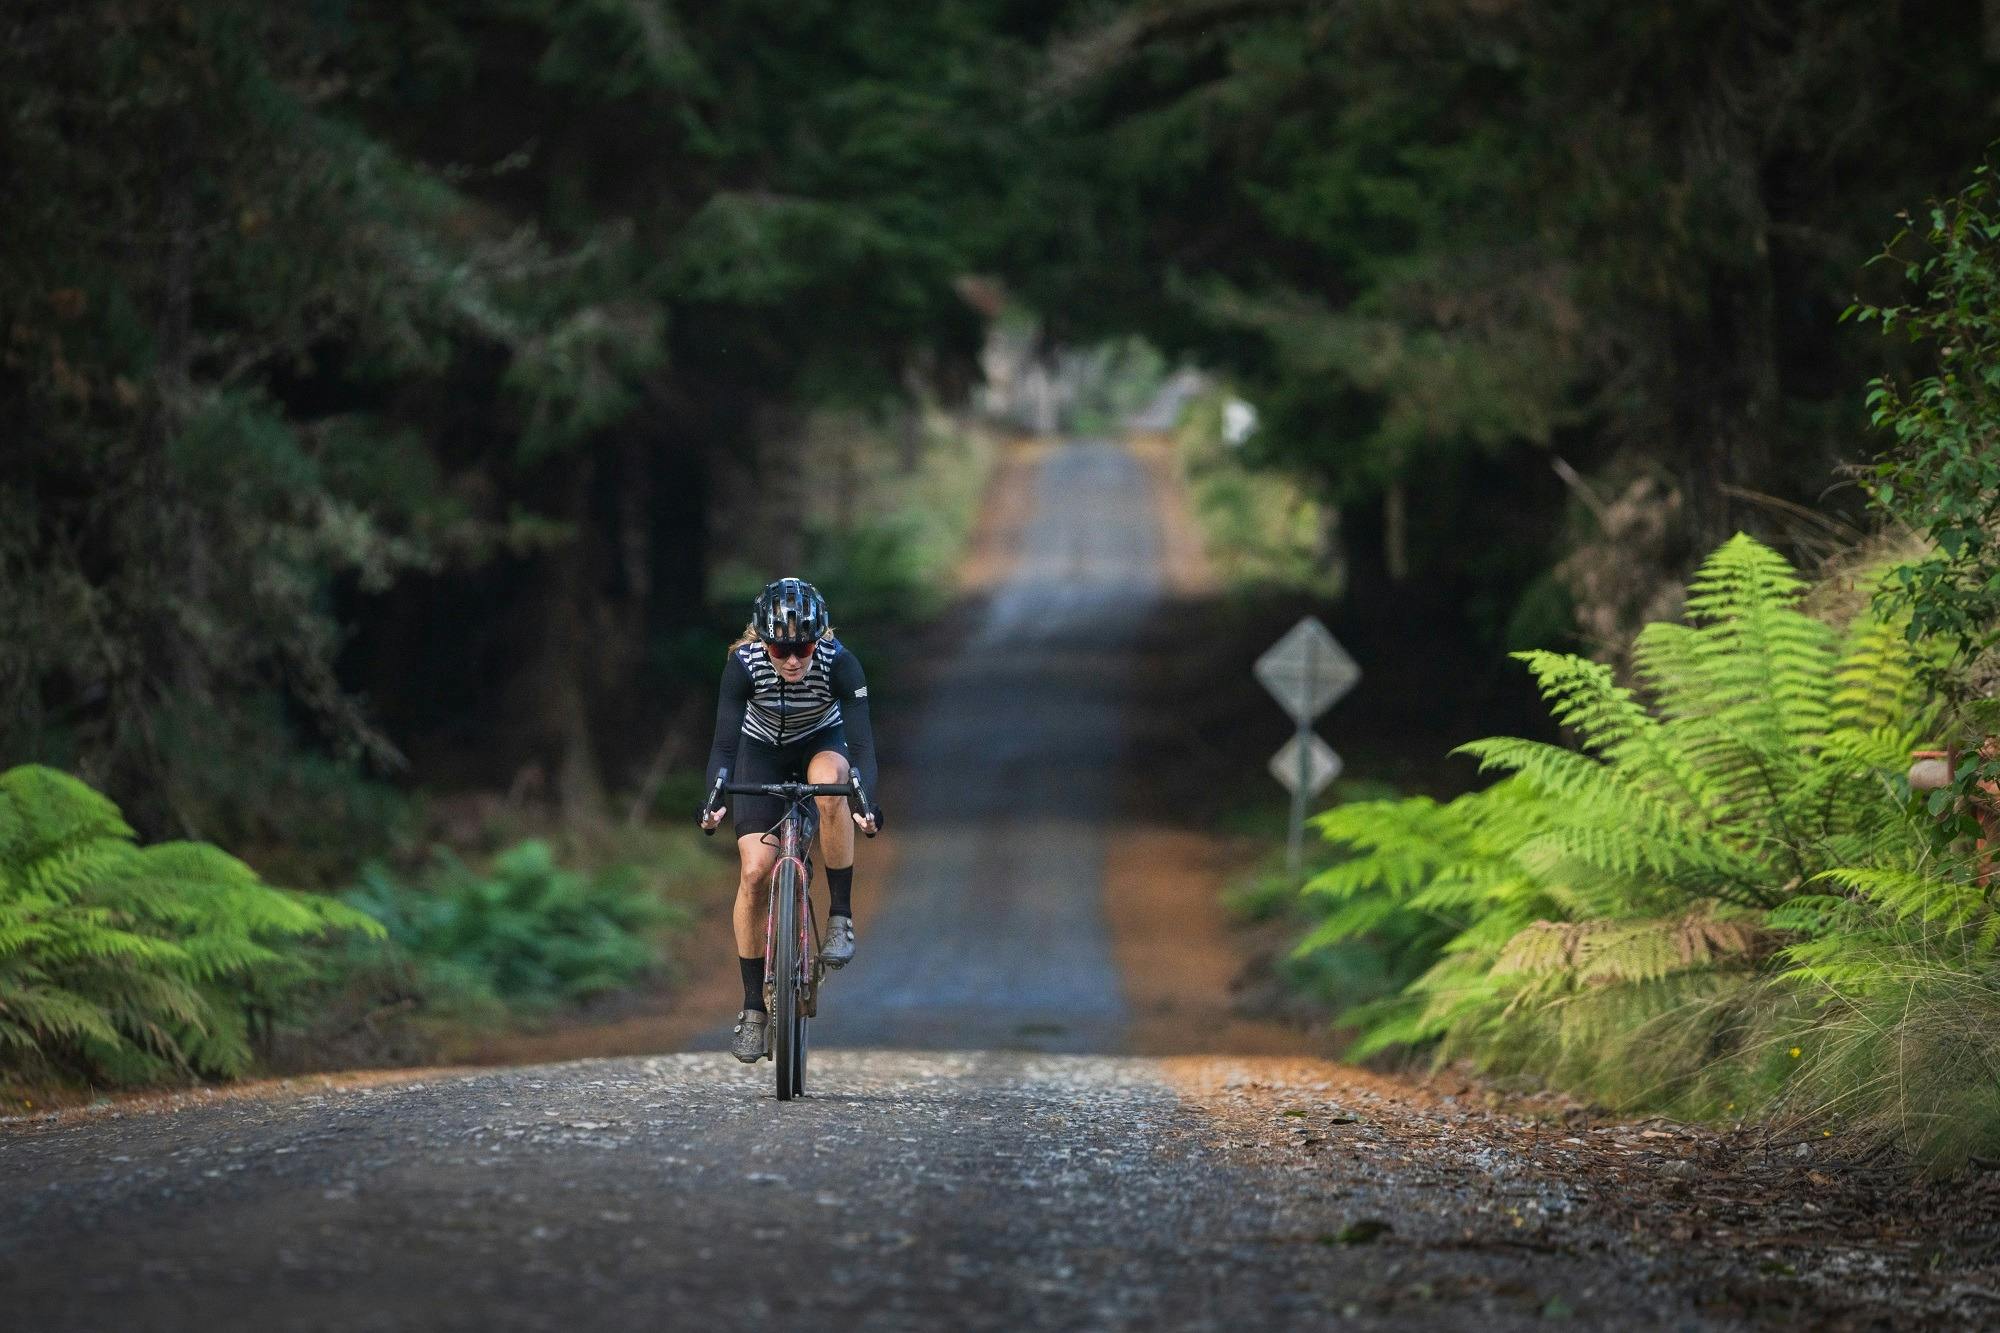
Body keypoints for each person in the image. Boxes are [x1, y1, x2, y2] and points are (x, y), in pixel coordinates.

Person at [699, 577, 881, 1063]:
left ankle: (840, 915)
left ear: (818, 639)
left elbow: (862, 745)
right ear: (763, 641)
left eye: (802, 647)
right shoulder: (743, 665)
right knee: (756, 871)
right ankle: (753, 1008)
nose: (793, 660)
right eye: (781, 649)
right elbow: (724, 743)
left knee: (829, 789)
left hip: (822, 742)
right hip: (759, 752)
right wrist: (714, 795)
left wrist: (864, 798)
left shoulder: (839, 662)